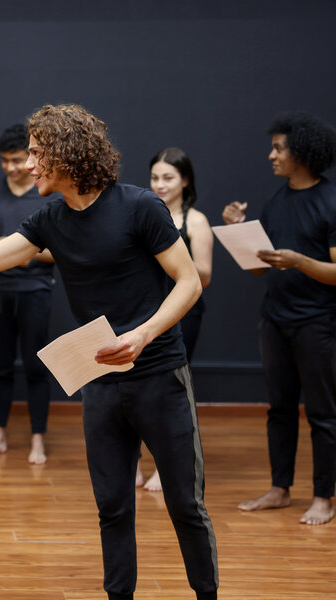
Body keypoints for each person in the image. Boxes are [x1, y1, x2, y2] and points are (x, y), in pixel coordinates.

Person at [0, 104, 219, 600]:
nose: (27, 165)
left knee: (186, 506)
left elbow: (189, 281)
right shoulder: (50, 218)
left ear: (67, 153)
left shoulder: (140, 207)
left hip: (160, 374)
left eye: (35, 154)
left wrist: (143, 334)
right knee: (112, 508)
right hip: (100, 382)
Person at [223, 111, 336, 526]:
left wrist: (300, 261)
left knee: (322, 414)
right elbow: (262, 270)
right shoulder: (276, 202)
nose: (271, 155)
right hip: (274, 319)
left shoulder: (335, 205)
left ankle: (323, 498)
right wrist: (239, 230)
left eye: (278, 149)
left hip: (316, 323)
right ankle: (280, 489)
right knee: (279, 409)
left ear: (303, 153)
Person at [0, 124, 58, 465]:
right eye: (5, 160)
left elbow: (59, 251)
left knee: (36, 367)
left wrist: (25, 255)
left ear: (32, 157)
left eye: (17, 159)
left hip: (35, 290)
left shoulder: (46, 191)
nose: (10, 167)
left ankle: (38, 439)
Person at [137, 147, 213, 491]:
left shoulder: (195, 220)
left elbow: (204, 275)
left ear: (185, 181)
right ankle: (134, 461)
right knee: (135, 388)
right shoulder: (143, 213)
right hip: (143, 311)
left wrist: (168, 251)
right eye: (155, 178)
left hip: (183, 312)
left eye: (168, 177)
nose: (160, 184)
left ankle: (163, 466)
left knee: (169, 390)